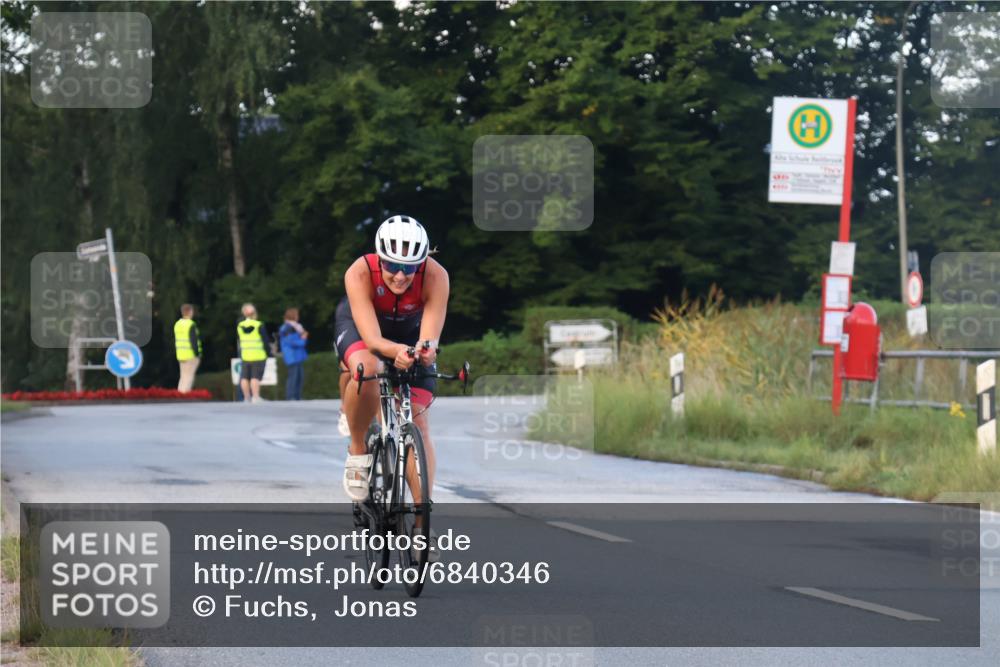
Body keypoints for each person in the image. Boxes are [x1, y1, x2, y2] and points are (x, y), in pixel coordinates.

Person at [335, 215, 449, 524]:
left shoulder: (436, 276)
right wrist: (395, 351)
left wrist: (425, 350)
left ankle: (423, 524)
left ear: (421, 263)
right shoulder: (359, 271)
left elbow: (430, 336)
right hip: (363, 329)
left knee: (420, 425)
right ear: (379, 259)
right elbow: (372, 340)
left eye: (410, 268)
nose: (400, 276)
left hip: (408, 334)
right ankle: (358, 451)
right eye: (391, 266)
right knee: (368, 367)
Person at [237, 303, 271, 403]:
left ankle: (246, 398)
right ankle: (255, 397)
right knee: (255, 377)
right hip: (258, 355)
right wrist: (268, 353)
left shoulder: (240, 326)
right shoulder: (259, 325)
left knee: (244, 377)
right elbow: (265, 341)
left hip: (245, 355)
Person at [279, 307, 309, 400]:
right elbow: (291, 341)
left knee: (299, 377)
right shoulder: (288, 328)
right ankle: (291, 397)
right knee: (293, 377)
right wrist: (303, 339)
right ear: (293, 316)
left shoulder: (295, 327)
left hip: (297, 356)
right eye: (296, 315)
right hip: (292, 356)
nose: (298, 316)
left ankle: (297, 397)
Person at [174, 304, 202, 393]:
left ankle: (179, 394)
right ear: (190, 312)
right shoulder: (191, 324)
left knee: (183, 376)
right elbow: (193, 340)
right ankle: (185, 395)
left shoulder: (177, 324)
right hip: (191, 354)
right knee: (189, 376)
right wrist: (197, 353)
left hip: (180, 354)